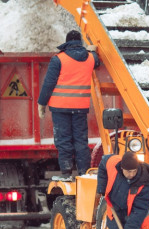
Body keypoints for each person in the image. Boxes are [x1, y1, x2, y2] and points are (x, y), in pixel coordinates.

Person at [37, 30, 100, 180]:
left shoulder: (58, 59)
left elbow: (48, 84)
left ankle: (66, 173)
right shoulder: (90, 59)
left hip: (60, 108)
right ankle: (84, 172)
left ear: (66, 43)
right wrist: (93, 51)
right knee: (80, 141)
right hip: (80, 108)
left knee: (64, 140)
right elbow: (97, 60)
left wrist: (42, 103)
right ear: (80, 42)